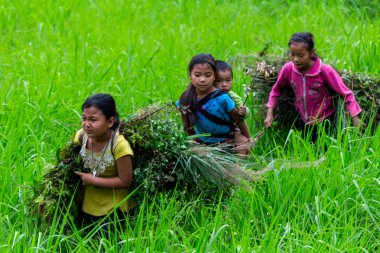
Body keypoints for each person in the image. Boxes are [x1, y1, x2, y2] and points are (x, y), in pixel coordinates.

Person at [264, 32, 362, 140]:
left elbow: (346, 93)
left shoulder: (324, 70)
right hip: (302, 120)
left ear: (312, 53)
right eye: (292, 54)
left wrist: (355, 117)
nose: (296, 59)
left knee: (323, 151)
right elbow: (276, 90)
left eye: (301, 55)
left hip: (324, 121)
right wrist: (269, 114)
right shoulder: (288, 69)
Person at [74, 93, 136, 228]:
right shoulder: (81, 137)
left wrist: (92, 180)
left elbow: (125, 181)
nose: (87, 124)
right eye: (84, 118)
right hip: (89, 204)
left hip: (115, 209)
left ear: (110, 122)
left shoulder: (119, 146)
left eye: (93, 120)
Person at [178, 53, 251, 155]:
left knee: (242, 141)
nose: (202, 79)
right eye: (197, 75)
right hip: (203, 143)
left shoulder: (223, 98)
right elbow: (187, 126)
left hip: (227, 140)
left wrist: (249, 140)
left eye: (207, 75)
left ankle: (238, 167)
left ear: (214, 76)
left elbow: (239, 120)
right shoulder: (185, 99)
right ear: (190, 75)